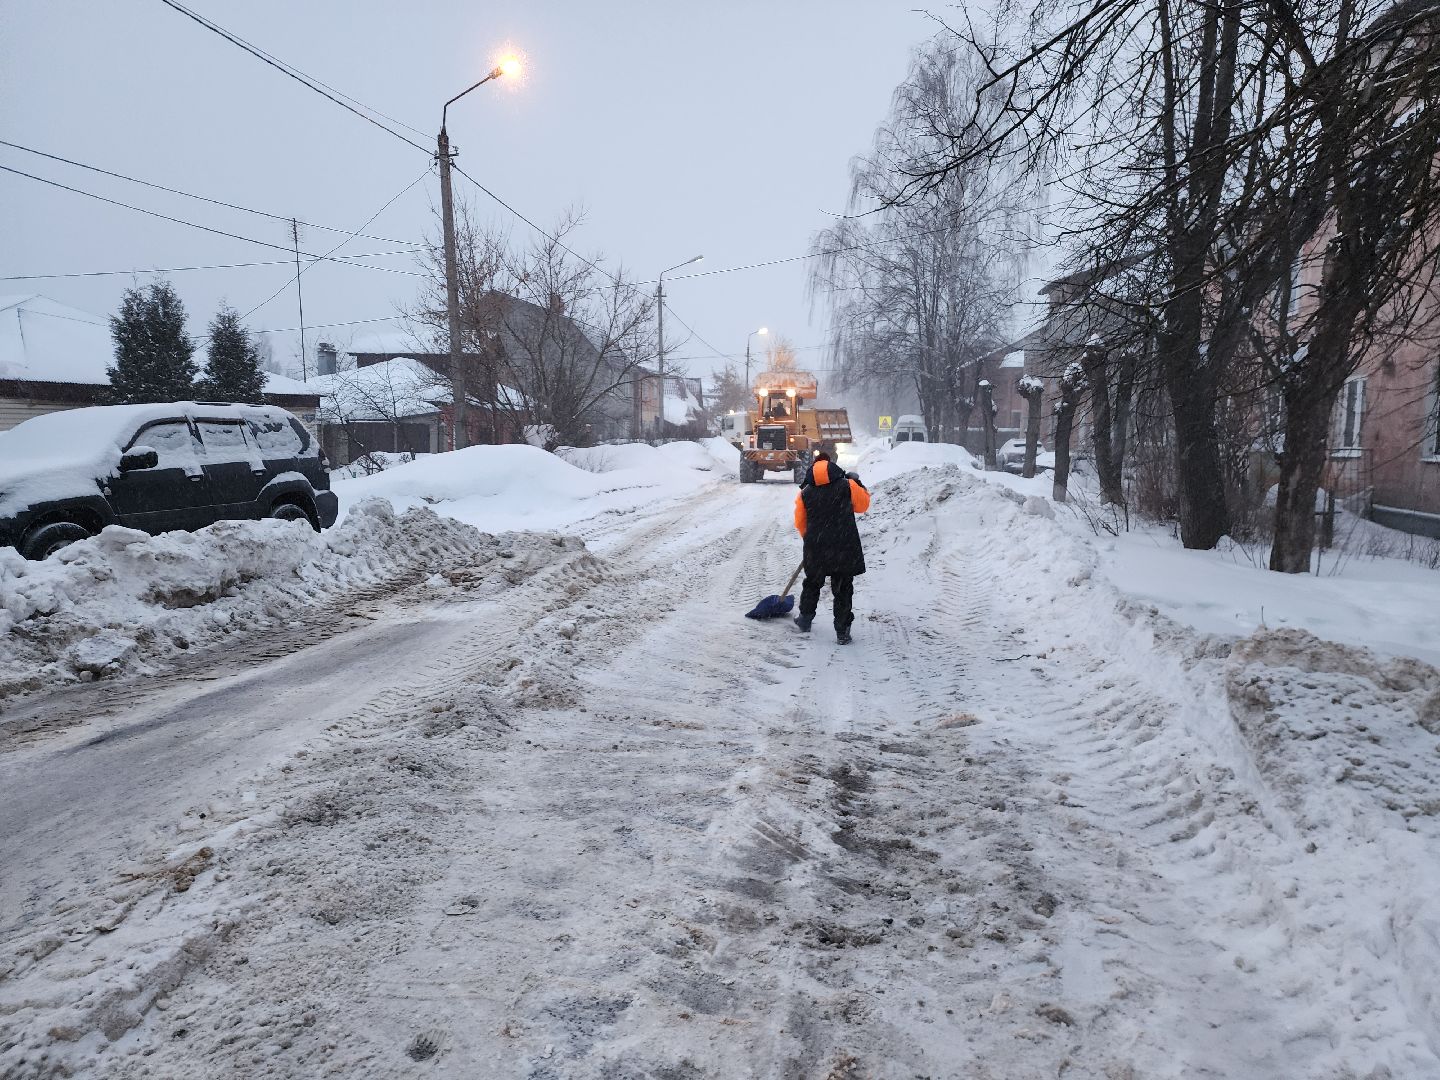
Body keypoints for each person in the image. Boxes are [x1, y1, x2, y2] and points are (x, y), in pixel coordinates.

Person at [792, 448, 870, 644]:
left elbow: (800, 523)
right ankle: (842, 631)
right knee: (843, 588)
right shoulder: (847, 485)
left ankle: (805, 620)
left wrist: (812, 540)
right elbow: (863, 506)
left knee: (812, 584)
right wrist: (858, 483)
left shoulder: (805, 493)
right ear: (834, 468)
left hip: (816, 547)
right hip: (844, 546)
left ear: (812, 470)